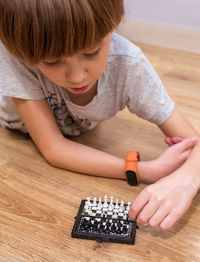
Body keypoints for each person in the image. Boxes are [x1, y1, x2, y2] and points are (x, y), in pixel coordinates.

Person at [0, 0, 199, 230]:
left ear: (112, 27)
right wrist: (142, 170)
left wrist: (186, 179)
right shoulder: (19, 54)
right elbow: (54, 148)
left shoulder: (129, 65)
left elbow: (194, 143)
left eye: (91, 52)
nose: (76, 77)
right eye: (52, 61)